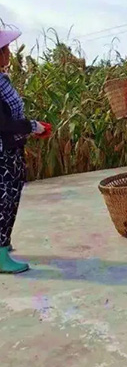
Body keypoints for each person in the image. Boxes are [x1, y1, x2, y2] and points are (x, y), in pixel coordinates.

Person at [0, 28, 49, 274]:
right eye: (5, 50)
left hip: (12, 147)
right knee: (3, 201)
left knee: (12, 196)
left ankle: (4, 243)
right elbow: (3, 123)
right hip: (3, 152)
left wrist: (31, 128)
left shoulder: (3, 80)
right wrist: (31, 126)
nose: (9, 53)